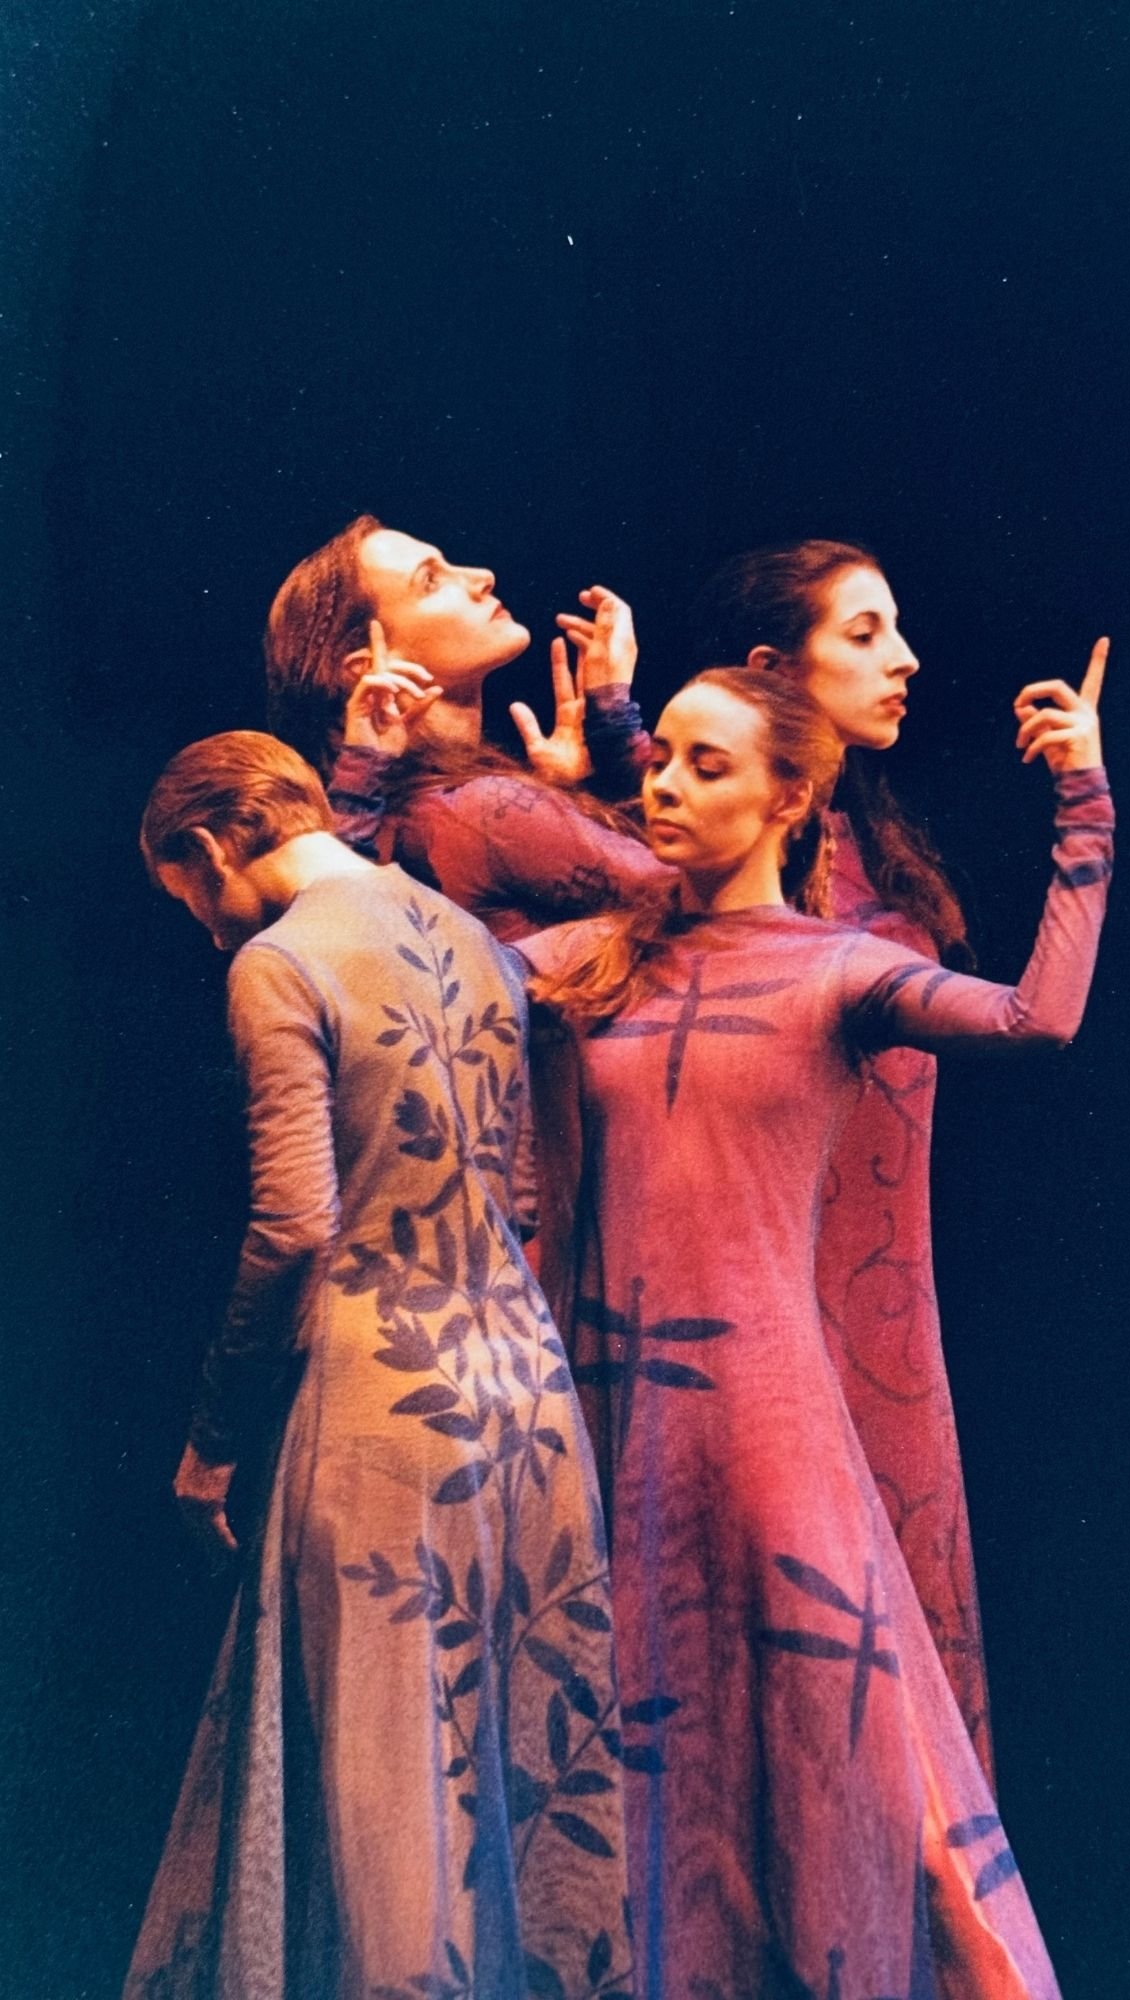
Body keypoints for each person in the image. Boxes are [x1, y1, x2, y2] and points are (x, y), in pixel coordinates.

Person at [516, 666, 1113, 1999]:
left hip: (766, 1425)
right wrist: (371, 781)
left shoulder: (840, 967)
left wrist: (1084, 802)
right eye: (660, 757)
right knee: (649, 1781)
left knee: (873, 1763)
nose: (666, 786)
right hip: (618, 1425)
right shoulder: (595, 954)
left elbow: (1037, 1019)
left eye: (706, 765)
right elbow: (416, 971)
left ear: (791, 796)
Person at [583, 540, 1107, 1782]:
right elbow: (662, 880)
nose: (905, 658)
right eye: (864, 632)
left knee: (878, 1682)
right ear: (775, 668)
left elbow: (1028, 1019)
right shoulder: (722, 872)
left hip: (877, 1306)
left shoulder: (861, 850)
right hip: (751, 1322)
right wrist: (614, 730)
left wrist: (1085, 795)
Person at [125, 733, 633, 2000]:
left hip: (383, 1398)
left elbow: (295, 1225)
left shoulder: (279, 960)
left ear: (210, 847)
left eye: (186, 894)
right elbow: (521, 1190)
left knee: (388, 1792)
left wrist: (213, 1437)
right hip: (525, 1389)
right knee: (516, 1782)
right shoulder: (473, 940)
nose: (202, 923)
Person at [264, 515, 669, 942]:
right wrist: (617, 728)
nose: (482, 576)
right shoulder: (481, 810)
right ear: (369, 666)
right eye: (430, 581)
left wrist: (568, 793)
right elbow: (709, 897)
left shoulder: (412, 815)